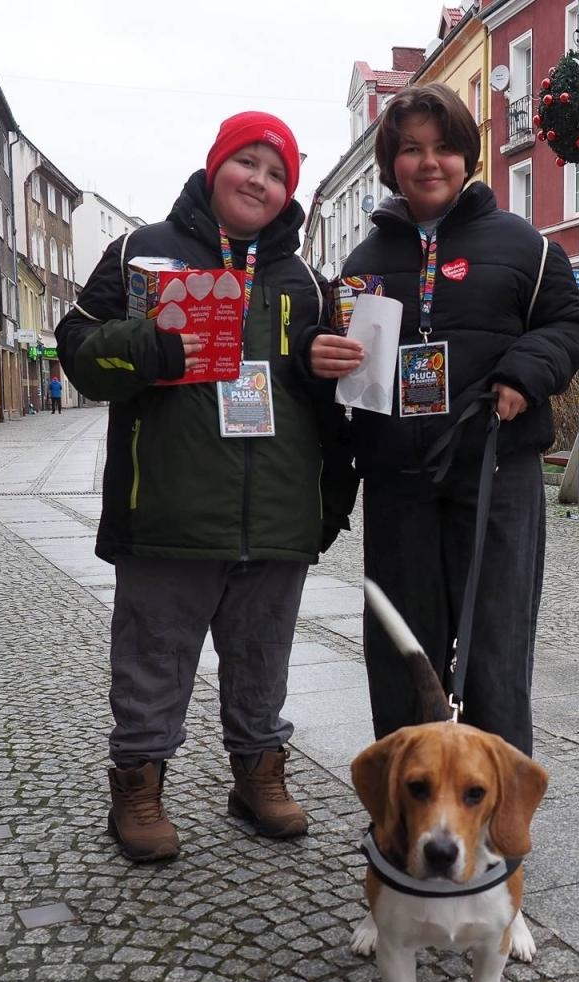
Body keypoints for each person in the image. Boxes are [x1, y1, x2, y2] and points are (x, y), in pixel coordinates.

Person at [55, 112, 356, 863]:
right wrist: (149, 346)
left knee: (264, 658)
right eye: (246, 163)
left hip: (277, 512)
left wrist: (333, 493)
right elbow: (78, 352)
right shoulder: (141, 254)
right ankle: (139, 785)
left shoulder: (307, 284)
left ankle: (258, 776)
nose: (260, 180)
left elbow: (330, 405)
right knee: (154, 657)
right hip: (169, 510)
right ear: (216, 165)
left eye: (277, 171)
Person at [306, 84, 579, 758]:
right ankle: (407, 801)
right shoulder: (364, 262)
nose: (428, 162)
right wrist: (323, 352)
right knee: (402, 642)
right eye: (411, 150)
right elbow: (345, 360)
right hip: (399, 478)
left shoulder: (525, 246)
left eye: (443, 148)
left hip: (495, 469)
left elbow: (569, 323)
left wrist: (525, 371)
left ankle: (494, 809)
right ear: (390, 162)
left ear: (467, 155)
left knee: (495, 642)